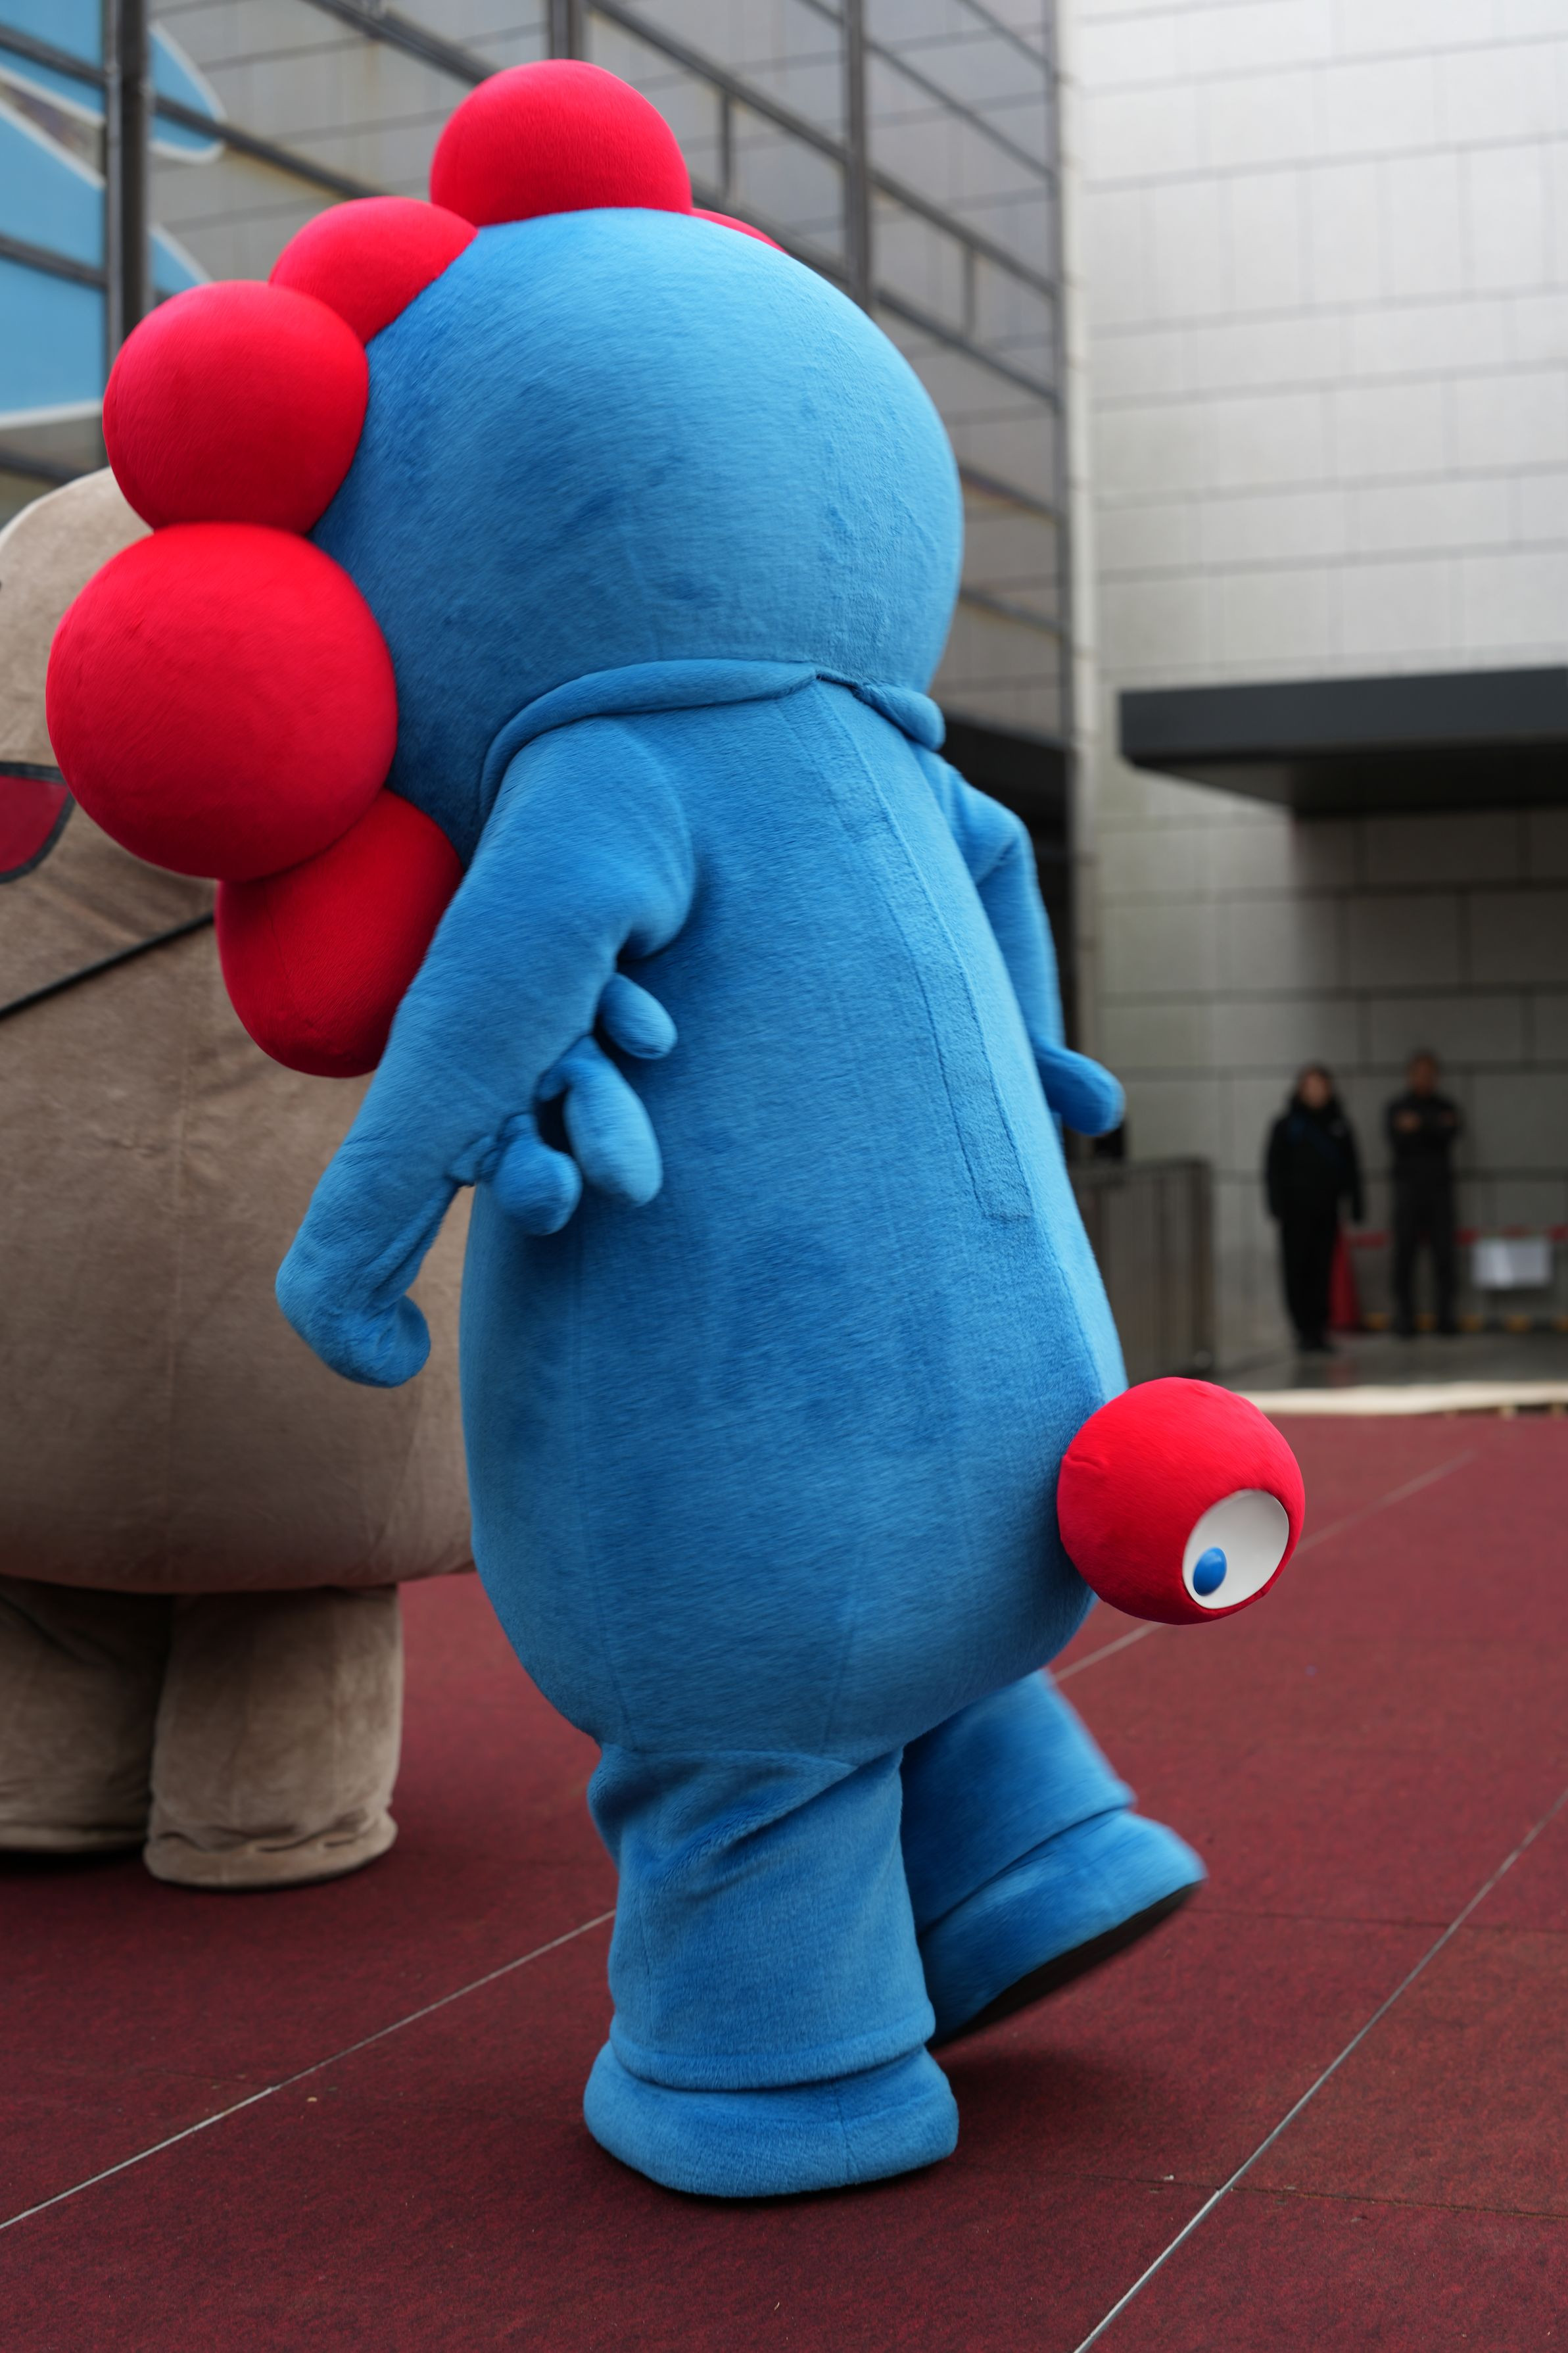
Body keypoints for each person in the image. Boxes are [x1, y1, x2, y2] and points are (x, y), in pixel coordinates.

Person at [1265, 1065, 1363, 1353]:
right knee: (1297, 1270)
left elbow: (1352, 1167)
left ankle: (1320, 1329)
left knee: (1323, 1270)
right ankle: (1302, 1328)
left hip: (1327, 1210)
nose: (1317, 1092)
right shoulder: (1287, 1125)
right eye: (1311, 1086)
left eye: (1321, 1086)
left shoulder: (1339, 1125)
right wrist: (1276, 1205)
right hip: (1295, 1213)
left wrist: (1357, 1203)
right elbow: (1273, 1168)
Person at [1386, 1050, 1462, 1336]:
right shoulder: (1397, 1106)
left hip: (1440, 1191)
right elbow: (1397, 1138)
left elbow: (1449, 1133)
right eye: (1419, 1073)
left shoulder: (1446, 1105)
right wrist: (1433, 1125)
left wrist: (1418, 1124)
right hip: (1407, 1191)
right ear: (1410, 1076)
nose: (1424, 1079)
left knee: (1444, 1256)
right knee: (1405, 1256)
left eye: (1429, 1074)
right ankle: (1405, 1317)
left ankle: (1445, 1317)